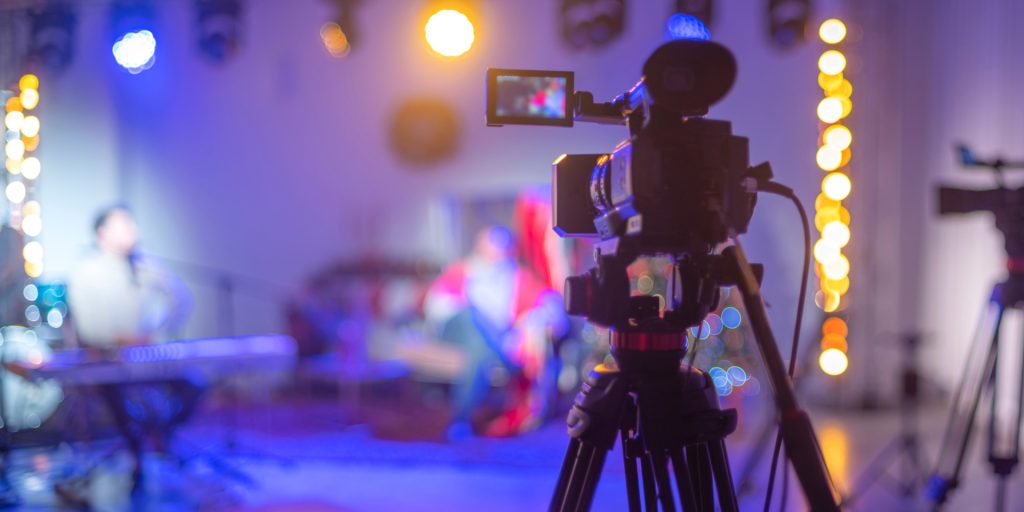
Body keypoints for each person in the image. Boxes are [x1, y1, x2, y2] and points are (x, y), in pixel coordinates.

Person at [63, 205, 195, 496]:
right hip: (106, 361)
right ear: (102, 233)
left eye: (132, 225)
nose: (132, 232)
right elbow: (89, 329)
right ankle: (138, 451)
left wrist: (156, 332)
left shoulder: (146, 265)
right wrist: (120, 339)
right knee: (119, 398)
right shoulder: (87, 271)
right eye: (123, 225)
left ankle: (156, 437)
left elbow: (181, 299)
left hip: (144, 357)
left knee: (193, 385)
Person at [425, 226, 568, 439]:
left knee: (478, 350)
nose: (496, 251)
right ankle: (501, 352)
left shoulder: (518, 277)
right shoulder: (461, 270)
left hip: (486, 341)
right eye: (491, 244)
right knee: (469, 316)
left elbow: (553, 307)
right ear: (480, 245)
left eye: (501, 245)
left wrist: (531, 322)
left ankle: (461, 420)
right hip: (458, 332)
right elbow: (437, 306)